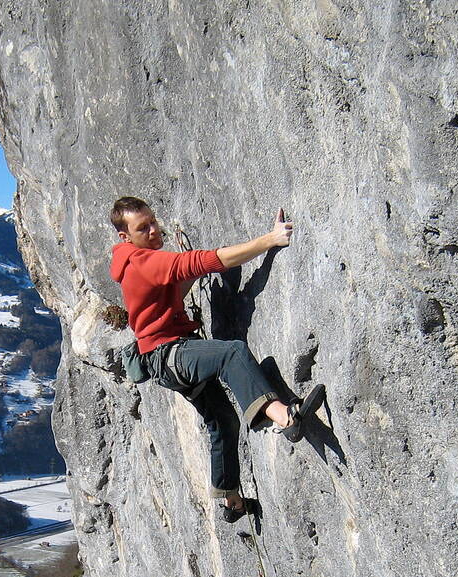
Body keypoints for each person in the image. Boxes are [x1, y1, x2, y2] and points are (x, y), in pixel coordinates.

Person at [109, 196, 325, 520]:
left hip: (162, 359)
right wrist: (271, 240)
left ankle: (231, 500)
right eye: (143, 227)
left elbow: (165, 298)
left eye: (154, 221)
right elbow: (207, 261)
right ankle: (285, 417)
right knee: (231, 352)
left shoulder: (136, 263)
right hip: (171, 354)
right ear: (125, 237)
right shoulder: (143, 261)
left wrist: (186, 280)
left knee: (222, 420)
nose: (154, 230)